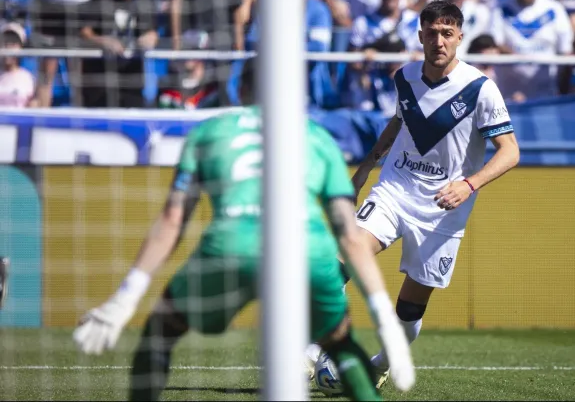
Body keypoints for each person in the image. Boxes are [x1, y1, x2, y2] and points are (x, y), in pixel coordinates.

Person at [71, 58, 416, 401]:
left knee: (163, 330)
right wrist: (384, 317)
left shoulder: (209, 132)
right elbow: (349, 235)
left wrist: (125, 297)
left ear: (241, 88)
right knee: (340, 342)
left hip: (230, 246)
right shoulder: (317, 139)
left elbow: (172, 221)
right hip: (307, 252)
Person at [306, 0, 520, 388]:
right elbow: (400, 119)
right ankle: (307, 352)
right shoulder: (404, 77)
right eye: (432, 33)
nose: (439, 41)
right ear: (420, 36)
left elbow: (511, 152)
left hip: (442, 208)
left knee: (407, 312)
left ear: (459, 37)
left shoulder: (481, 89)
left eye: (447, 34)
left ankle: (381, 363)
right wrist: (367, 166)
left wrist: (468, 184)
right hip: (394, 189)